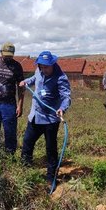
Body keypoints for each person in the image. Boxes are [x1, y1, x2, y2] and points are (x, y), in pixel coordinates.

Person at [19, 51, 71, 189]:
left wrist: (62, 108)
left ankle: (51, 178)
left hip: (50, 120)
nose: (43, 69)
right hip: (35, 116)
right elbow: (34, 78)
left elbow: (66, 97)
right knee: (27, 144)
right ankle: (25, 171)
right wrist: (26, 81)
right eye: (41, 66)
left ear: (53, 64)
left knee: (50, 148)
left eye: (46, 67)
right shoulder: (39, 70)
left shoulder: (61, 78)